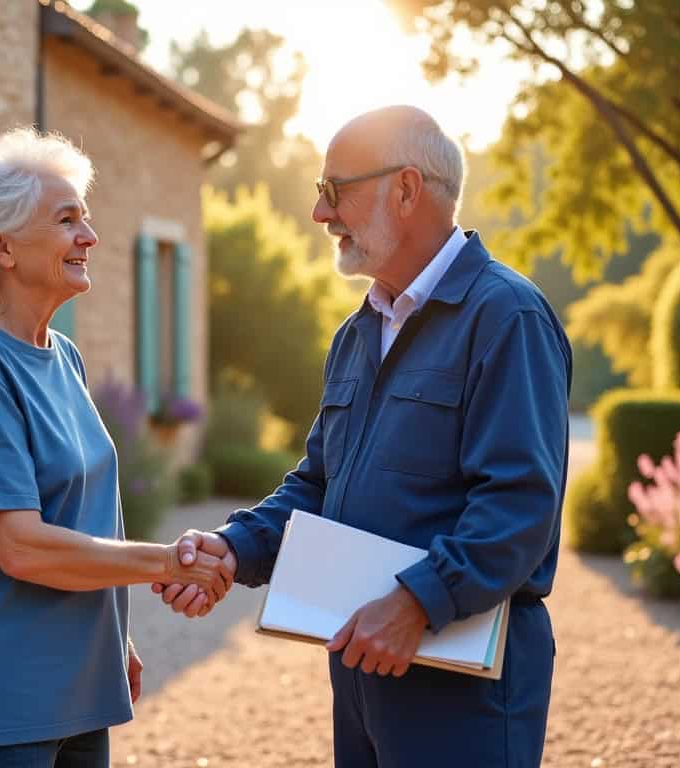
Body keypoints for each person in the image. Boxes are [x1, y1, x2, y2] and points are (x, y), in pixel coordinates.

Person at [157, 105, 572, 767]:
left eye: (333, 191)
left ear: (406, 190)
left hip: (460, 684)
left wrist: (416, 601)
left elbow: (520, 505)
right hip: (363, 670)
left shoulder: (507, 316)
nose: (321, 214)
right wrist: (234, 548)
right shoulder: (359, 332)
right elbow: (319, 484)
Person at [0, 127, 233, 768]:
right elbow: (22, 547)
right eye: (66, 220)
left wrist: (116, 635)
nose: (90, 237)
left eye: (85, 218)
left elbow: (81, 515)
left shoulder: (64, 357)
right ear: (1, 246)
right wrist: (168, 562)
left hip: (78, 685)